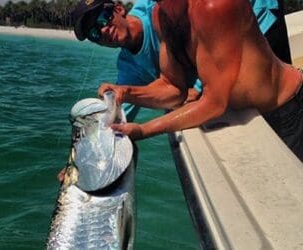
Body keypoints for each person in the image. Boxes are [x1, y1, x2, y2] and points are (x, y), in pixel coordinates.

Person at [98, 0, 303, 161]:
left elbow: (214, 102)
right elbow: (172, 87)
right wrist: (125, 92)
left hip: (288, 109)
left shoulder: (214, 6)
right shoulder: (160, 15)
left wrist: (144, 129)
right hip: (248, 115)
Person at [72, 0, 293, 121]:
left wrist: (199, 87)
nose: (103, 31)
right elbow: (120, 111)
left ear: (118, 9)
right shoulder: (128, 66)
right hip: (220, 74)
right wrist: (79, 164)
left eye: (102, 19)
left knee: (282, 102)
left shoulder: (158, 9)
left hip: (259, 15)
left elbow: (214, 24)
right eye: (94, 34)